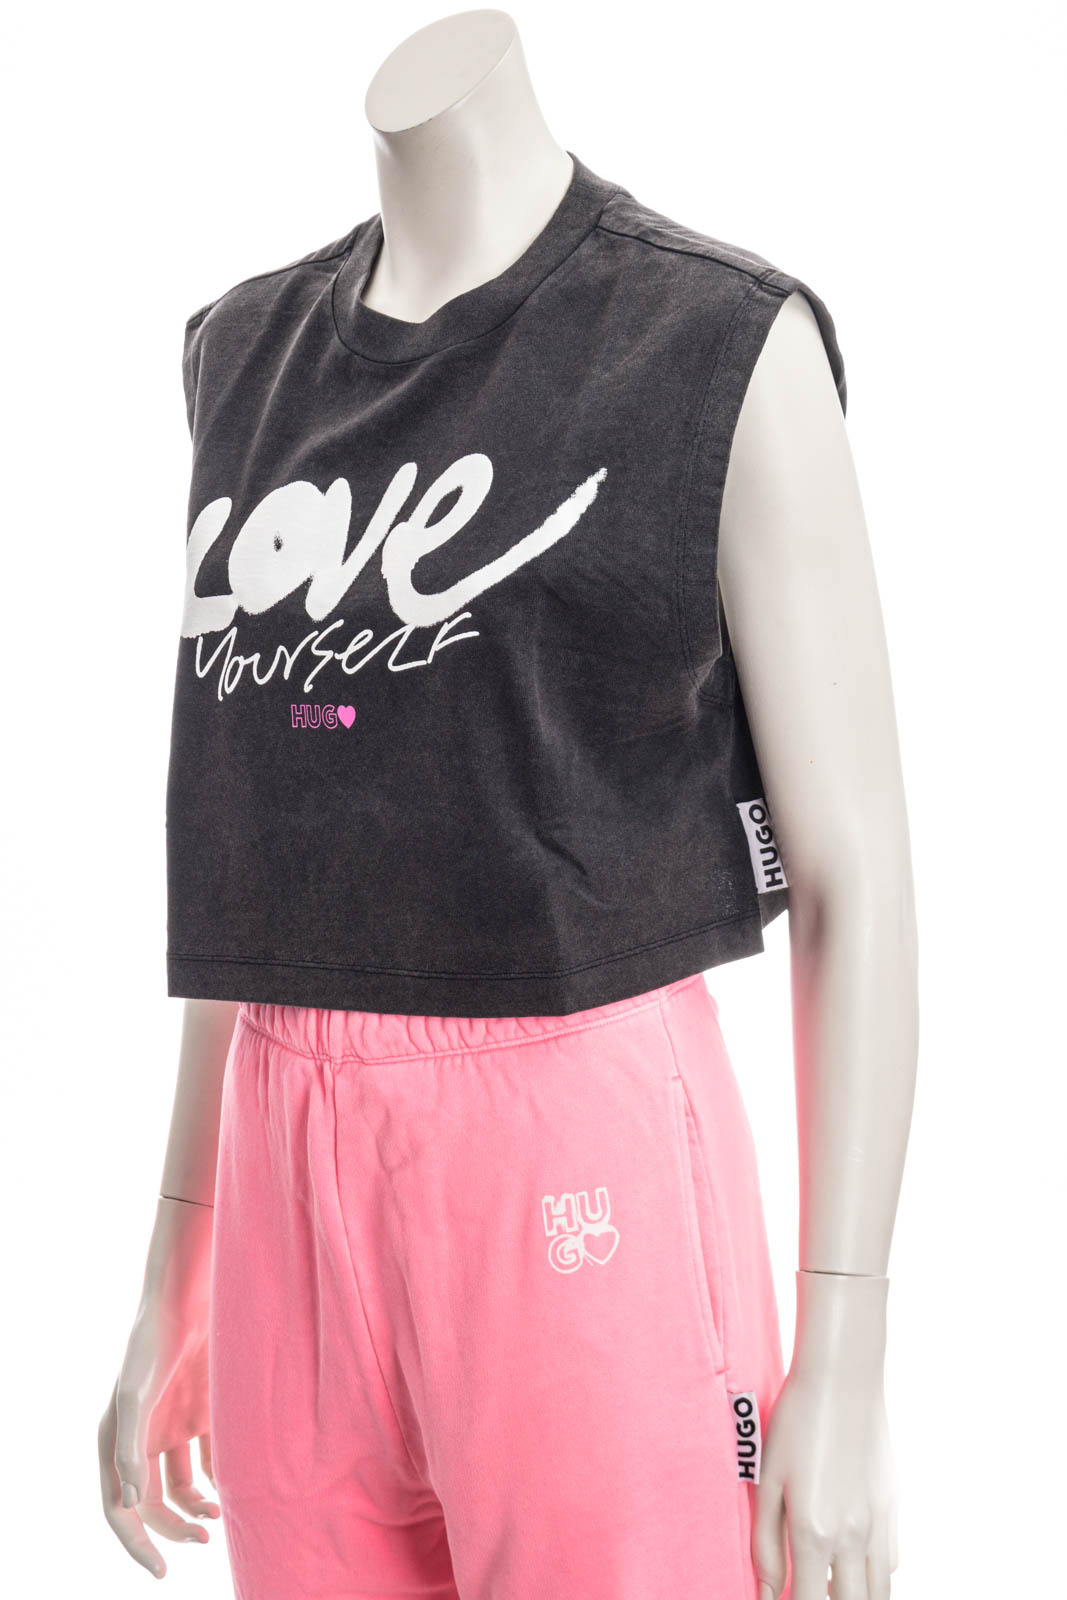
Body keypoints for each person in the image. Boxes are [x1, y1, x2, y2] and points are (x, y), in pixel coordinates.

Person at [99, 12, 916, 1598]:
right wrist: (172, 1264)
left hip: (572, 1145)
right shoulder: (243, 357)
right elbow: (253, 842)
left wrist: (848, 1349)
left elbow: (856, 871)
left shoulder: (714, 345)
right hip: (282, 1167)